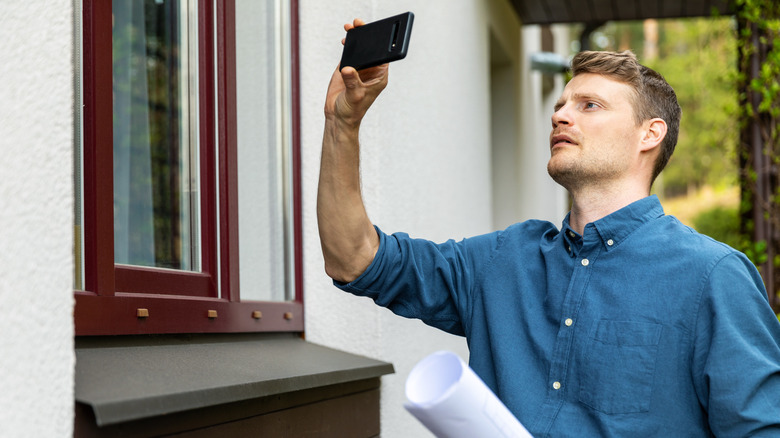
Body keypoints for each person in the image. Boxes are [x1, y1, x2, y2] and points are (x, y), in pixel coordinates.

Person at [318, 19, 780, 436]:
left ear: (649, 134)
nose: (560, 115)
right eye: (560, 105)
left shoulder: (712, 275)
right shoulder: (502, 260)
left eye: (590, 105)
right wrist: (343, 124)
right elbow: (355, 259)